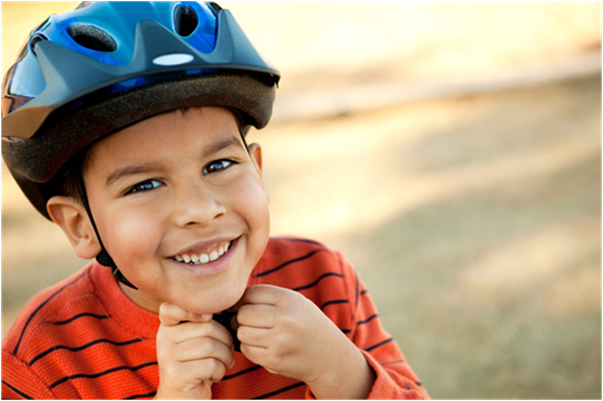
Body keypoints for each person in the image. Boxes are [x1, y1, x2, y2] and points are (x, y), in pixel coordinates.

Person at [0, 2, 429, 399]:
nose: (202, 210)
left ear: (257, 169)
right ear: (80, 225)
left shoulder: (322, 280)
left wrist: (338, 368)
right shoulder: (44, 356)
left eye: (218, 165)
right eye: (145, 185)